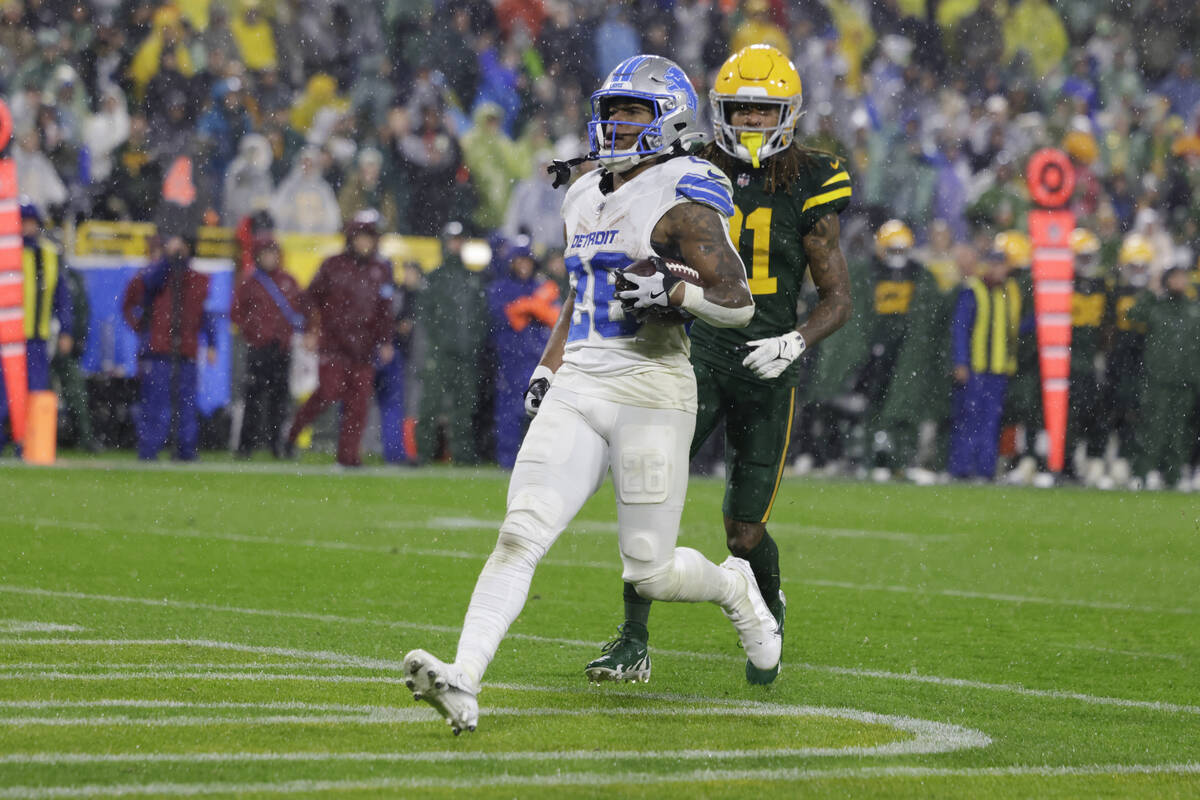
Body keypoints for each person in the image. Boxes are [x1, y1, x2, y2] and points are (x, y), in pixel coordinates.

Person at [403, 55, 778, 735]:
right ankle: (464, 678)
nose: (615, 125)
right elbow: (583, 292)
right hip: (581, 381)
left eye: (632, 112)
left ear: (668, 120)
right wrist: (550, 367)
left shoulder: (684, 192)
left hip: (653, 387)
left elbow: (739, 300)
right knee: (520, 532)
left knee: (653, 570)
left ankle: (735, 588)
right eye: (611, 112)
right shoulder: (583, 192)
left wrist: (677, 288)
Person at [584, 44, 853, 687]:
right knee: (653, 493)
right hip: (696, 354)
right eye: (742, 113)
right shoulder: (688, 166)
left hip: (768, 366)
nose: (753, 126)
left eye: (764, 115)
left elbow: (838, 297)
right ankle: (633, 640)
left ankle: (769, 604)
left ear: (787, 115)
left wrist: (794, 341)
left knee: (743, 532)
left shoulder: (814, 179)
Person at [283, 210, 394, 467]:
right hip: (334, 343)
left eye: (369, 238)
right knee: (328, 392)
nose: (365, 243)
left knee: (358, 404)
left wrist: (386, 340)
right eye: (361, 237)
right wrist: (311, 328)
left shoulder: (380, 270)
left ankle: (348, 456)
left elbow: (385, 310)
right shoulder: (332, 265)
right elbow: (309, 298)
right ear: (351, 239)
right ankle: (291, 435)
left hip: (364, 347)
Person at [121, 207, 217, 462]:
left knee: (185, 405)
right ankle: (150, 451)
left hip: (184, 349)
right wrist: (143, 328)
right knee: (156, 404)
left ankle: (185, 450)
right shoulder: (156, 274)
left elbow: (202, 314)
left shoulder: (194, 279)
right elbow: (142, 290)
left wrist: (211, 342)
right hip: (159, 348)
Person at [414, 222, 489, 465]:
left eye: (459, 241)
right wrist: (435, 348)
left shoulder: (473, 279)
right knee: (430, 406)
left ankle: (463, 456)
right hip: (441, 353)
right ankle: (424, 454)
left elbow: (480, 317)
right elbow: (425, 317)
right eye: (452, 240)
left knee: (464, 409)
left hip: (466, 354)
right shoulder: (435, 278)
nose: (456, 245)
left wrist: (474, 345)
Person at [948, 243, 1022, 480]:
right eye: (994, 264)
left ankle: (985, 469)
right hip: (976, 367)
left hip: (999, 368)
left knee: (991, 421)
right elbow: (960, 329)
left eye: (1001, 264)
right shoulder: (973, 290)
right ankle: (962, 468)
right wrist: (961, 362)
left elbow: (1015, 328)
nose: (997, 269)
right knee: (969, 419)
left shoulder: (1009, 291)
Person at [231, 235, 309, 458]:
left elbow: (303, 307)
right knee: (253, 399)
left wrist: (292, 332)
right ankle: (246, 446)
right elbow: (236, 311)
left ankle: (277, 446)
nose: (270, 258)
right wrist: (253, 332)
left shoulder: (288, 280)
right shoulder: (250, 282)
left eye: (273, 253)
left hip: (281, 348)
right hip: (258, 348)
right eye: (265, 254)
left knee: (279, 401)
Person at [486, 244, 561, 468]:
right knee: (509, 411)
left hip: (538, 358)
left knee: (542, 410)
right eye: (519, 261)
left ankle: (539, 460)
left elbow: (554, 317)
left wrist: (528, 307)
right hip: (510, 359)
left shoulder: (542, 286)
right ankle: (508, 460)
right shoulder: (500, 287)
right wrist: (533, 306)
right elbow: (510, 317)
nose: (523, 266)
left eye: (527, 261)